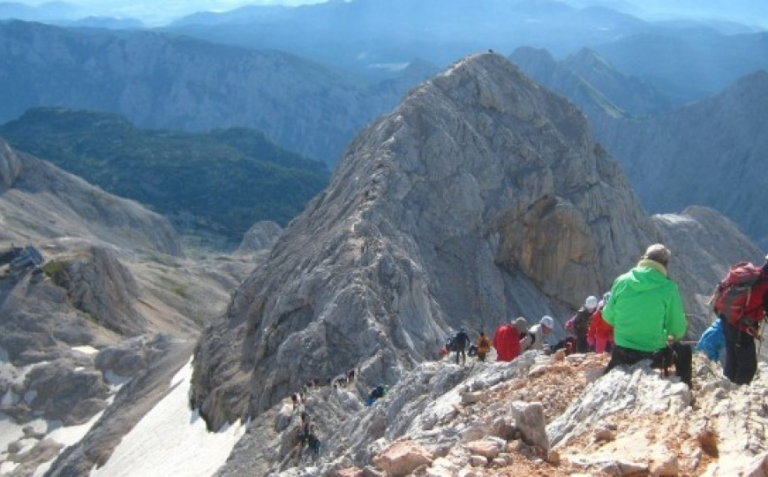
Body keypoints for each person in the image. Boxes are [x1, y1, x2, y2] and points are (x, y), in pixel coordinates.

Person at [602, 244, 691, 386]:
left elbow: (607, 316)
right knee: (684, 351)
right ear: (665, 264)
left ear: (643, 258)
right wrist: (666, 334)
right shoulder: (669, 287)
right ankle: (686, 390)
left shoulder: (621, 281)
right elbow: (678, 329)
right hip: (653, 355)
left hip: (622, 353)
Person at [718, 255, 768, 385]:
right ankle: (737, 396)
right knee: (748, 368)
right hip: (742, 329)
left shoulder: (752, 275)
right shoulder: (765, 284)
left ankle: (727, 390)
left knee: (732, 361)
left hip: (727, 319)